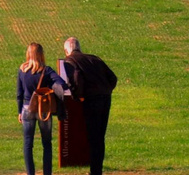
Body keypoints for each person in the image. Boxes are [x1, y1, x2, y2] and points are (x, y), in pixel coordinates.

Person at [59, 37, 117, 175]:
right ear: (78, 47)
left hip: (91, 101)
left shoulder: (70, 61)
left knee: (93, 136)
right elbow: (113, 78)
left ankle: (95, 171)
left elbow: (77, 79)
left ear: (67, 50)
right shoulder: (94, 59)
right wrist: (106, 90)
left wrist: (78, 97)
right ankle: (97, 170)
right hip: (105, 99)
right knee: (100, 137)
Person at [16, 42, 59, 175]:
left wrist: (19, 111)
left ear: (28, 54)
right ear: (41, 54)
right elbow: (59, 81)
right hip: (43, 109)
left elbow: (19, 93)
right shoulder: (46, 71)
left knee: (28, 142)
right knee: (46, 143)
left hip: (27, 108)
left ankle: (30, 173)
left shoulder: (22, 70)